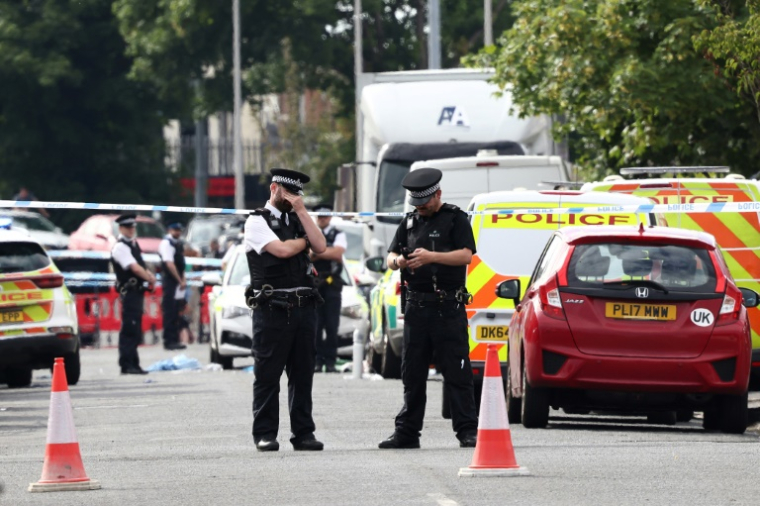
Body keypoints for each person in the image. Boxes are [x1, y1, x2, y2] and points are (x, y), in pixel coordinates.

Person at [379, 168, 479, 449]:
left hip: (447, 307)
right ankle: (407, 432)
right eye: (416, 205)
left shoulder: (455, 219)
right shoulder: (409, 222)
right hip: (417, 307)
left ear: (438, 194)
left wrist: (431, 257)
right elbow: (391, 255)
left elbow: (466, 255)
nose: (420, 209)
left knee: (457, 372)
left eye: (425, 203)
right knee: (412, 373)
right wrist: (399, 262)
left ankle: (467, 431)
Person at [244, 168, 327, 452]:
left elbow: (321, 246)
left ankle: (303, 433)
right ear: (274, 188)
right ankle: (265, 434)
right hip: (273, 309)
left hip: (304, 308)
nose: (291, 198)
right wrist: (302, 244)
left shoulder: (298, 218)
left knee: (302, 375)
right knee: (267, 376)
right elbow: (280, 250)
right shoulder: (256, 221)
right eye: (287, 192)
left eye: (296, 193)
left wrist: (302, 212)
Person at [111, 214, 156, 375]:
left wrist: (149, 276)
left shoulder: (132, 244)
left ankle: (134, 363)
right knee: (129, 328)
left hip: (137, 292)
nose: (131, 230)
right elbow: (134, 268)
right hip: (129, 292)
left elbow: (140, 264)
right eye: (128, 227)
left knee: (135, 328)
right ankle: (126, 364)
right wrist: (150, 277)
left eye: (133, 227)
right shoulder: (120, 247)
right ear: (121, 228)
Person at [310, 204, 347, 373]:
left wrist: (317, 253)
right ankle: (317, 361)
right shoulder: (311, 233)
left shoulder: (337, 233)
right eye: (319, 217)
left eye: (325, 216)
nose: (322, 219)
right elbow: (306, 255)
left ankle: (330, 361)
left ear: (330, 217)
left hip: (332, 285)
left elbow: (337, 254)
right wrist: (325, 251)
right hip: (314, 284)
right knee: (315, 326)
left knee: (332, 326)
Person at [158, 222, 187, 351]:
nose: (178, 232)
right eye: (175, 230)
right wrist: (179, 279)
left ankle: (175, 339)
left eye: (179, 230)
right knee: (169, 311)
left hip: (177, 281)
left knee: (176, 311)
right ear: (170, 230)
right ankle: (168, 340)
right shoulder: (167, 243)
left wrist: (183, 279)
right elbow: (169, 264)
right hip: (170, 281)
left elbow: (181, 264)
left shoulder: (178, 244)